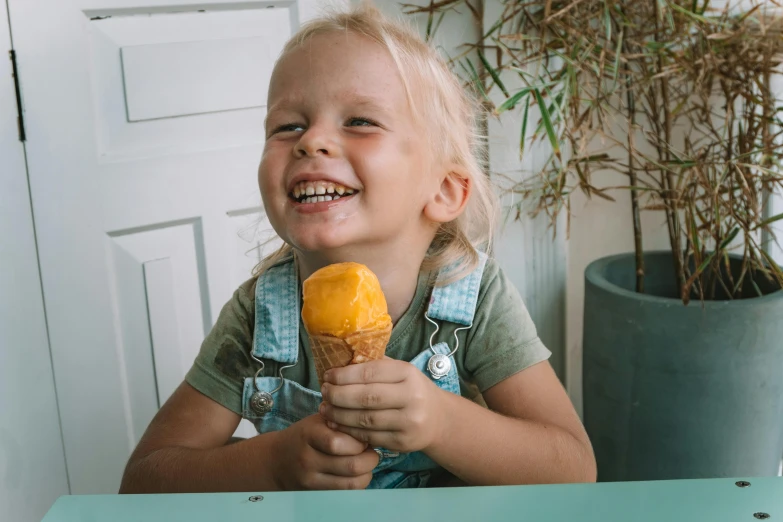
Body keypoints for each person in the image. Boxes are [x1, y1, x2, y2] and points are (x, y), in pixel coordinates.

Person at [119, 2, 596, 493]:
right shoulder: (258, 316)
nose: (313, 141)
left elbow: (572, 468)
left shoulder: (474, 299)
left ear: (445, 190)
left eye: (361, 121)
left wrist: (443, 422)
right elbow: (144, 479)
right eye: (288, 126)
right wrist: (272, 464)